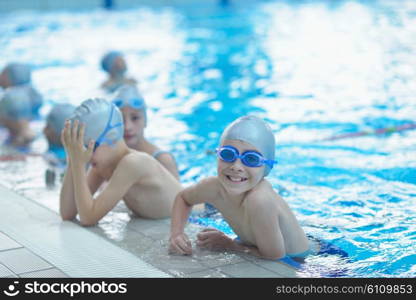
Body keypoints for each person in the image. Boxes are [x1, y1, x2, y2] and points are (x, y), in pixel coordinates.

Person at [169, 115, 310, 260]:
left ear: (267, 166)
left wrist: (229, 245)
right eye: (228, 154)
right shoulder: (212, 187)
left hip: (298, 258)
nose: (236, 167)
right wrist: (176, 234)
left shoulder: (259, 199)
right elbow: (183, 198)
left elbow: (274, 255)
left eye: (251, 159)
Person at [59, 98, 182, 226]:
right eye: (80, 149)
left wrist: (78, 165)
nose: (85, 156)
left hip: (194, 213)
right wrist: (72, 159)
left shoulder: (133, 163)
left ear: (111, 136)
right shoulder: (103, 164)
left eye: (88, 148)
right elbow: (68, 213)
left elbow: (88, 217)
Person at [112, 85, 179, 179]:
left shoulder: (163, 160)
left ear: (145, 121)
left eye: (135, 118)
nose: (128, 127)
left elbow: (180, 194)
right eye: (121, 120)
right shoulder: (109, 159)